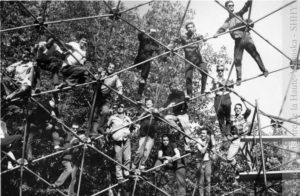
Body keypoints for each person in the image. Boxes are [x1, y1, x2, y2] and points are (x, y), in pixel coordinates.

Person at [214, 0, 268, 86]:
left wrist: (248, 2)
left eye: (232, 5)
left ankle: (264, 70)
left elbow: (245, 8)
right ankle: (239, 78)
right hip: (238, 40)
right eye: (229, 6)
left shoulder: (239, 14)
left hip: (246, 37)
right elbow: (223, 28)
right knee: (237, 59)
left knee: (255, 54)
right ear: (226, 8)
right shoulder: (228, 20)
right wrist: (217, 33)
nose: (231, 7)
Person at [168, 21, 208, 97]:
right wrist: (172, 47)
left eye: (191, 27)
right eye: (188, 28)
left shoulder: (197, 35)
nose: (190, 29)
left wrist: (203, 40)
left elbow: (203, 38)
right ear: (186, 29)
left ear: (194, 28)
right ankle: (189, 94)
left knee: (205, 71)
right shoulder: (184, 37)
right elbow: (174, 40)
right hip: (189, 59)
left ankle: (203, 90)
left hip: (198, 58)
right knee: (188, 77)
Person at [106, 103, 138, 183]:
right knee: (118, 159)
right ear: (117, 109)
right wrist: (107, 132)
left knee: (127, 158)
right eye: (118, 107)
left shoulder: (127, 118)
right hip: (117, 141)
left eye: (122, 106)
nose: (120, 108)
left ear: (124, 108)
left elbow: (133, 126)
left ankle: (126, 173)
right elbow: (107, 127)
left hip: (126, 139)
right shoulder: (113, 117)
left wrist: (134, 129)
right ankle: (119, 177)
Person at [52, 122, 86, 196]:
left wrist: (84, 143)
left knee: (73, 178)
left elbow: (83, 141)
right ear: (71, 128)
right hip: (66, 158)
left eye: (76, 129)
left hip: (74, 160)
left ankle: (71, 194)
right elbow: (62, 130)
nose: (75, 130)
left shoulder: (79, 137)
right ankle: (56, 184)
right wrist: (60, 123)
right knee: (69, 170)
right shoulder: (68, 134)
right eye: (73, 128)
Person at [90, 62, 123, 138]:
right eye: (110, 67)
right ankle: (93, 133)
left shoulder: (115, 77)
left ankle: (100, 127)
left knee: (105, 111)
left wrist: (120, 90)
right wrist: (99, 73)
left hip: (106, 97)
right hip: (97, 95)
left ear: (114, 69)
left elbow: (119, 84)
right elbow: (94, 80)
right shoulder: (102, 73)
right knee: (94, 115)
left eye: (112, 68)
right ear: (107, 67)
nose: (111, 68)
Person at [160, 82, 192, 151]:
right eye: (170, 88)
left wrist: (174, 103)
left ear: (176, 87)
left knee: (187, 130)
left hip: (183, 114)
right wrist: (162, 107)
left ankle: (187, 147)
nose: (171, 89)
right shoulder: (171, 96)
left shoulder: (181, 93)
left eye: (173, 87)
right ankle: (178, 129)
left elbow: (182, 100)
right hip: (176, 115)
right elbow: (167, 102)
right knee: (167, 117)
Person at [227, 101, 252, 185]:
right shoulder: (232, 118)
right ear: (234, 109)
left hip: (244, 138)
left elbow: (249, 109)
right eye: (236, 108)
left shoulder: (244, 116)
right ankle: (238, 169)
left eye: (239, 108)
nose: (237, 110)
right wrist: (230, 136)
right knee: (229, 157)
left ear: (241, 110)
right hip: (235, 140)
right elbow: (228, 129)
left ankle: (252, 173)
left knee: (247, 157)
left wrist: (244, 101)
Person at [133, 98, 158, 171]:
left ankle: (142, 166)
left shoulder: (155, 111)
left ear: (152, 104)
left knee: (147, 152)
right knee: (140, 151)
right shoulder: (142, 110)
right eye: (147, 102)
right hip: (143, 134)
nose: (148, 103)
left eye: (149, 102)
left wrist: (154, 111)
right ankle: (134, 165)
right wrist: (146, 112)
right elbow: (137, 118)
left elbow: (160, 116)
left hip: (151, 135)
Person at [135, 29, 160, 101]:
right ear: (149, 33)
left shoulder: (155, 44)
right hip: (139, 60)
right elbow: (140, 37)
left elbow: (159, 52)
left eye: (154, 34)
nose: (152, 35)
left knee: (144, 78)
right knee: (146, 60)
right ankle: (142, 77)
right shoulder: (144, 39)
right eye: (151, 33)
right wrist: (141, 33)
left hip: (146, 63)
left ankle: (139, 94)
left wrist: (165, 57)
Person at [211, 64, 233, 137]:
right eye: (219, 70)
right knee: (220, 117)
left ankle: (228, 132)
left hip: (226, 96)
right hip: (218, 96)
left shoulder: (228, 77)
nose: (220, 71)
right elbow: (213, 89)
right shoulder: (214, 78)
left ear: (223, 70)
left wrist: (226, 84)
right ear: (217, 71)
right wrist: (215, 83)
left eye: (221, 70)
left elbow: (232, 88)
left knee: (228, 116)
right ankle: (223, 134)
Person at [194, 128, 215, 196]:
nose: (202, 134)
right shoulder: (198, 141)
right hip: (199, 162)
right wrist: (207, 144)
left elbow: (214, 145)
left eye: (204, 133)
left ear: (207, 134)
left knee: (208, 180)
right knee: (201, 182)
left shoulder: (208, 141)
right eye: (201, 133)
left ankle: (208, 194)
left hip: (207, 162)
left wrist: (211, 137)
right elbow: (202, 151)